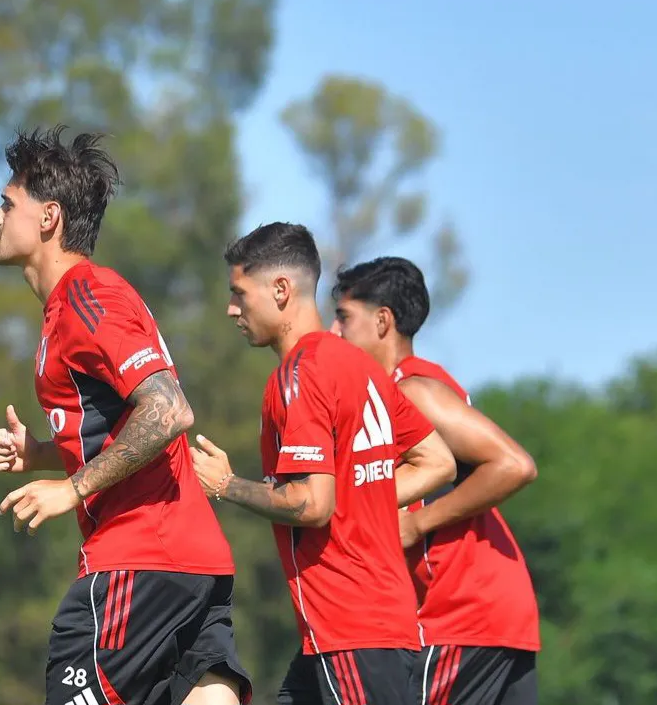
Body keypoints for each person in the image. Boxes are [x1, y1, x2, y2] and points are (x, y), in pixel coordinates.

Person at [0, 126, 250, 705]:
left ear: (48, 217)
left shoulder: (87, 297)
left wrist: (71, 487)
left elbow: (167, 410)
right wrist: (45, 449)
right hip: (192, 562)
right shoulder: (69, 307)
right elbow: (124, 424)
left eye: (7, 203)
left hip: (141, 558)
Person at [188, 223, 456, 705]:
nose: (232, 309)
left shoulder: (301, 373)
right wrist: (360, 499)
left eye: (238, 293)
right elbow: (436, 462)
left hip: (350, 626)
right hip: (367, 624)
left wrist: (226, 484)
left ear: (281, 289)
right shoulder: (357, 364)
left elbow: (311, 504)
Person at [330, 257, 540, 705]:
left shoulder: (411, 391)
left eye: (345, 317)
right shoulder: (400, 391)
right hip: (498, 613)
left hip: (461, 610)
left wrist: (417, 525)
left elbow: (514, 464)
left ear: (382, 320)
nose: (334, 332)